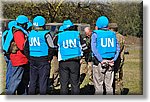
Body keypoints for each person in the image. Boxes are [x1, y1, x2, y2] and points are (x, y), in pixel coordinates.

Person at [55, 19, 88, 95]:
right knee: (75, 83)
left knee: (64, 83)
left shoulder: (59, 36)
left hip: (63, 61)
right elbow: (85, 48)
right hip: (75, 61)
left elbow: (54, 47)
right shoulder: (77, 34)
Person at [91, 16, 120, 95]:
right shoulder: (113, 34)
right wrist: (114, 59)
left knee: (98, 86)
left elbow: (94, 49)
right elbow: (118, 48)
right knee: (109, 86)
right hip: (110, 62)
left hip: (99, 62)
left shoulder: (95, 34)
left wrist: (101, 60)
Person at [28, 16, 54, 95]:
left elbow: (26, 46)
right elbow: (51, 47)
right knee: (43, 80)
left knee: (32, 80)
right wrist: (49, 58)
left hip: (32, 58)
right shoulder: (46, 34)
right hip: (43, 59)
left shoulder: (31, 34)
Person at [6, 15, 29, 95]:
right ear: (24, 24)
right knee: (16, 80)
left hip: (20, 59)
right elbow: (22, 46)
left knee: (22, 81)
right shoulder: (18, 32)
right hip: (19, 59)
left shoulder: (16, 30)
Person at [109, 23, 125, 94]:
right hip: (121, 58)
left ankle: (116, 92)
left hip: (114, 59)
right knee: (119, 76)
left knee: (114, 76)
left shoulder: (112, 36)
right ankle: (120, 90)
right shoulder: (121, 37)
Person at [2, 20, 17, 92]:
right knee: (11, 70)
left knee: (8, 70)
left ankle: (8, 85)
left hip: (5, 53)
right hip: (9, 54)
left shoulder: (5, 33)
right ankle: (9, 86)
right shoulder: (11, 33)